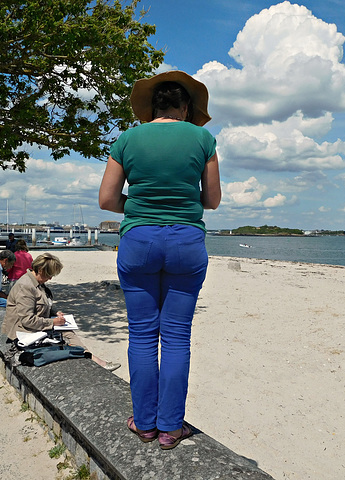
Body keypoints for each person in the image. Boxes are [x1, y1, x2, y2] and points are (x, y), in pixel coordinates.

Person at [99, 71, 221, 450]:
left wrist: (139, 206)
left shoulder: (127, 138)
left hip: (138, 240)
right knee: (177, 336)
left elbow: (106, 200)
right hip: (186, 240)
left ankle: (145, 423)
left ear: (153, 107)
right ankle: (170, 427)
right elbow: (212, 199)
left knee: (141, 334)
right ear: (185, 107)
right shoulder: (203, 138)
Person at [2, 253, 121, 371]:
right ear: (40, 270)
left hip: (33, 326)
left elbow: (39, 304)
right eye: (49, 274)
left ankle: (93, 359)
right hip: (23, 332)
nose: (51, 278)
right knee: (67, 335)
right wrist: (53, 322)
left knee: (68, 332)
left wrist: (55, 312)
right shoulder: (26, 287)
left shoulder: (37, 283)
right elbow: (27, 320)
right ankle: (95, 360)